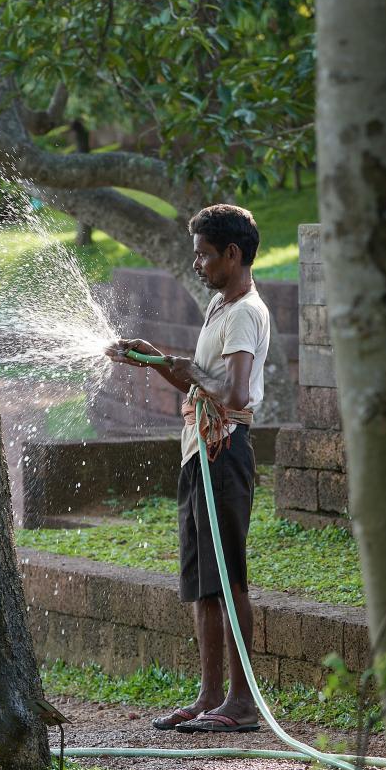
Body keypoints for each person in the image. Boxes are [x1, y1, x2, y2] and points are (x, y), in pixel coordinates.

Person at [107, 204, 269, 733]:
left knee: (228, 580)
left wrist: (192, 370)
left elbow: (237, 392)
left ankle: (242, 704)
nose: (196, 263)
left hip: (225, 452)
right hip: (200, 451)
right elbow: (203, 382)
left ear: (232, 253)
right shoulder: (220, 308)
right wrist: (154, 359)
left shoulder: (245, 311)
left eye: (203, 254)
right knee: (202, 582)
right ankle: (209, 697)